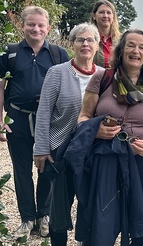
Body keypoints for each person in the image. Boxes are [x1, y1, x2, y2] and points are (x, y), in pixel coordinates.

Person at [74, 29, 143, 245]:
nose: (136, 51)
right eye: (131, 45)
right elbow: (84, 116)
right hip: (106, 156)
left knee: (141, 216)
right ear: (121, 49)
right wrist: (94, 130)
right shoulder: (103, 78)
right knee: (102, 212)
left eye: (142, 47)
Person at [0, 6, 70, 240]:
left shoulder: (58, 54)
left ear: (48, 27)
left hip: (48, 121)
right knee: (22, 170)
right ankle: (27, 218)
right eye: (31, 24)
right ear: (22, 25)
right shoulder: (8, 53)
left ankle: (44, 215)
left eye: (41, 25)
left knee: (46, 166)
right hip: (18, 118)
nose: (36, 29)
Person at [33, 23, 100, 245]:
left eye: (90, 39)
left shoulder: (104, 76)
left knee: (89, 203)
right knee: (60, 207)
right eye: (80, 39)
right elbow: (43, 113)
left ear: (97, 44)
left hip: (91, 151)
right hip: (60, 149)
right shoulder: (57, 73)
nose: (85, 44)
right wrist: (41, 148)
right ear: (72, 44)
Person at [89, 0, 121, 68]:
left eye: (109, 13)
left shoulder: (121, 40)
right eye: (101, 12)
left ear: (113, 17)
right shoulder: (88, 39)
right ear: (94, 16)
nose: (105, 15)